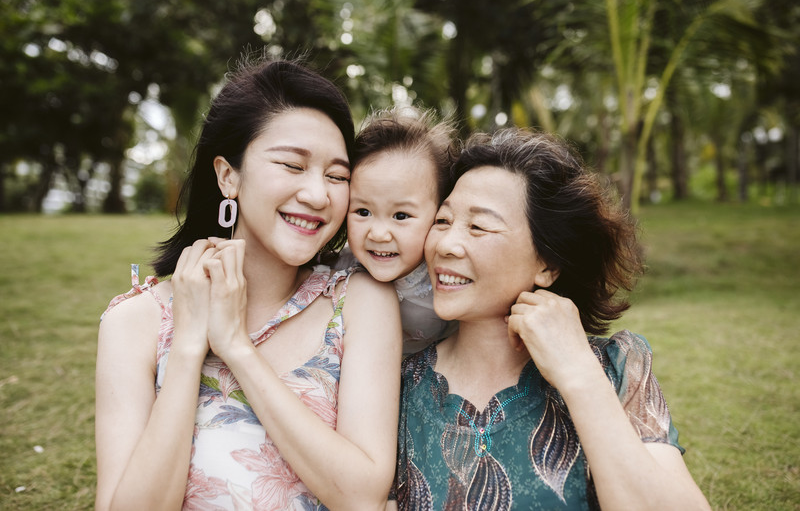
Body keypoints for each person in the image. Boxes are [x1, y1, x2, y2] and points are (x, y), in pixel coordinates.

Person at [95, 55, 402, 510]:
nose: (318, 195)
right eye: (293, 166)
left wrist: (237, 346)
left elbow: (361, 495)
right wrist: (186, 348)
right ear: (228, 175)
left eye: (337, 176)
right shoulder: (133, 321)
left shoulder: (357, 303)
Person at [391, 129, 711, 509]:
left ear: (548, 264)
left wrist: (579, 376)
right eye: (442, 221)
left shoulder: (615, 367)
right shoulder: (400, 386)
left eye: (478, 226)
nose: (444, 244)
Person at [342, 107, 458, 355]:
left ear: (439, 216)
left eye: (401, 216)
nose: (379, 234)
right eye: (363, 212)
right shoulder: (336, 270)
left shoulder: (452, 285)